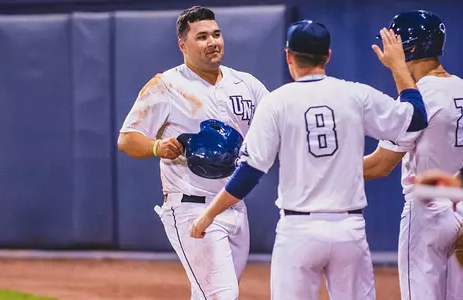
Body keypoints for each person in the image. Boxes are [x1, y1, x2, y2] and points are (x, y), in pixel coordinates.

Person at [190, 19, 428, 300]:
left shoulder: (276, 102)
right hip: (348, 230)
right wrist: (399, 66)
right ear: (327, 55)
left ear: (289, 56)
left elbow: (250, 171)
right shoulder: (356, 94)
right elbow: (416, 120)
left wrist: (208, 215)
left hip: (298, 231)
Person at [117, 6, 270, 299]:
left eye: (216, 34)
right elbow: (126, 139)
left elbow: (276, 125)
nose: (213, 41)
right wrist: (155, 146)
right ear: (182, 45)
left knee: (208, 294)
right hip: (190, 207)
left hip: (234, 204)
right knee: (222, 295)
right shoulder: (166, 85)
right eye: (202, 37)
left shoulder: (246, 84)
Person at [363, 10, 463, 300]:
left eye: (394, 40)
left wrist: (330, 168)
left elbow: (380, 165)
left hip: (428, 212)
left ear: (410, 46)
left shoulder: (421, 96)